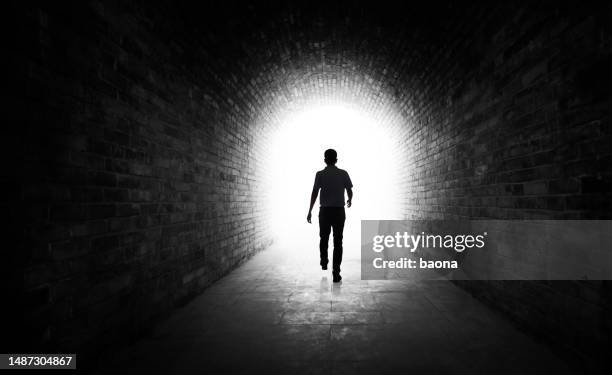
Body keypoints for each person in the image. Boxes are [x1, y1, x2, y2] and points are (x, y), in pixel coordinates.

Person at [307, 149, 353, 283]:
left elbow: (314, 193)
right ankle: (336, 272)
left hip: (325, 212)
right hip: (339, 211)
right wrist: (350, 199)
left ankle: (324, 261)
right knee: (338, 241)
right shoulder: (343, 173)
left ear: (325, 160)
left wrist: (310, 210)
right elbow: (349, 190)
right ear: (336, 160)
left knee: (324, 238)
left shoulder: (320, 174)